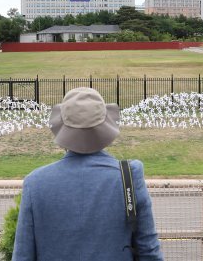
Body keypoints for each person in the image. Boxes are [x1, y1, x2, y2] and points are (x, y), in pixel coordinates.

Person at [12, 87, 163, 261]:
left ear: (62, 127)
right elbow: (149, 253)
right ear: (106, 126)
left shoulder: (36, 183)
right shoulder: (129, 176)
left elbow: (23, 256)